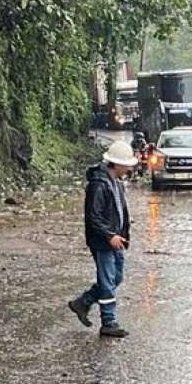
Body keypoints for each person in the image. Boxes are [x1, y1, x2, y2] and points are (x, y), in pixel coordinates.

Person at [68, 140, 136, 338]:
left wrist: (121, 236)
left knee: (116, 277)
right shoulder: (99, 184)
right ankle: (108, 321)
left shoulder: (115, 182)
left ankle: (84, 302)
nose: (129, 168)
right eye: (127, 164)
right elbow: (93, 216)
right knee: (107, 281)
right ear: (118, 164)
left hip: (115, 240)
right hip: (104, 241)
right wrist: (109, 235)